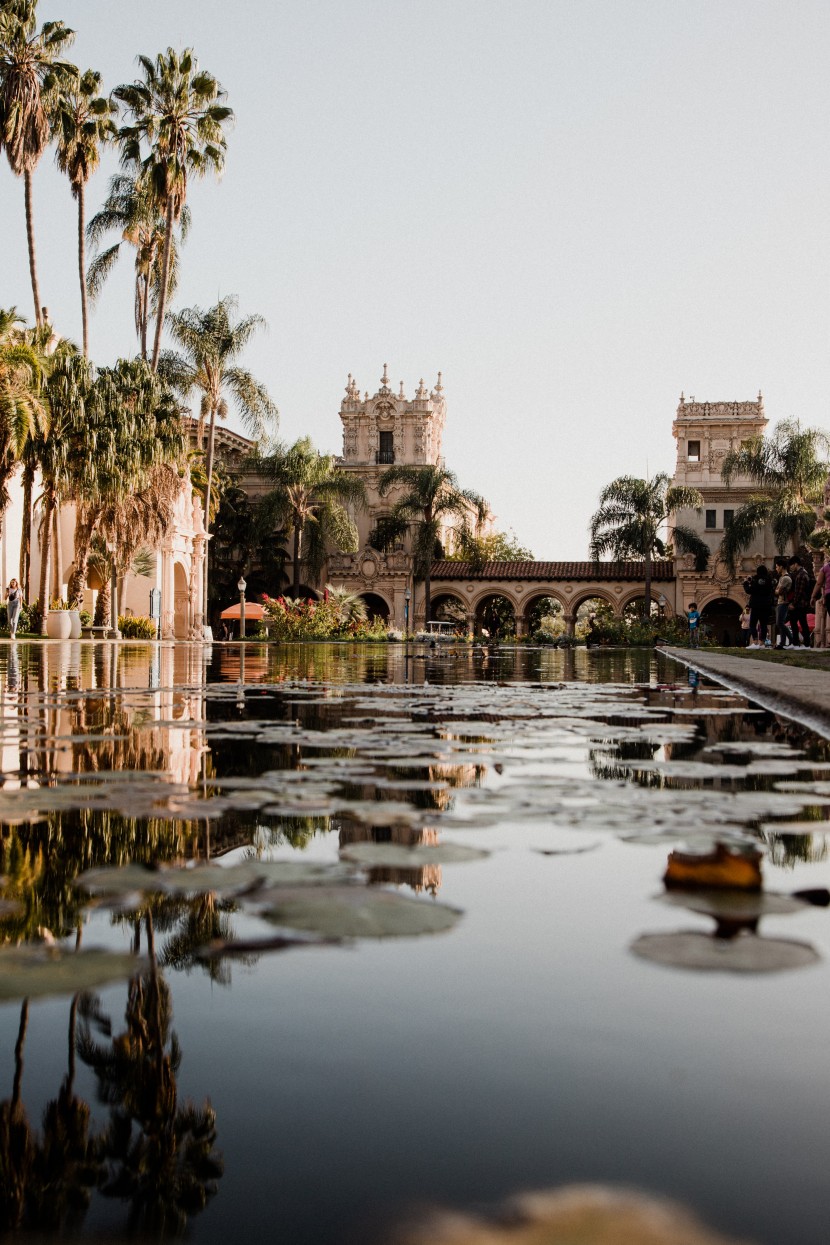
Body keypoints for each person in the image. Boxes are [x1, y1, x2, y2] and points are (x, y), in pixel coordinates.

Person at [744, 564, 774, 647]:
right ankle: (762, 642)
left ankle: (755, 641)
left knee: (752, 624)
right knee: (763, 624)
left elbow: (749, 590)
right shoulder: (769, 580)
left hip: (756, 605)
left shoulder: (756, 579)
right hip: (765, 605)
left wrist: (746, 583)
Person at [788, 555, 812, 647]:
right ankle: (805, 643)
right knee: (802, 622)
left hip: (800, 604)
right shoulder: (803, 573)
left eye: (791, 565)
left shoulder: (801, 575)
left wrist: (793, 604)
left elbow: (799, 592)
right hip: (802, 603)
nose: (790, 567)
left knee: (794, 622)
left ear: (795, 564)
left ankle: (796, 642)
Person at [773, 558, 794, 650]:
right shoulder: (782, 578)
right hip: (780, 602)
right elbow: (777, 590)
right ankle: (781, 644)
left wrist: (777, 590)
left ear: (781, 567)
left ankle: (792, 640)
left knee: (780, 623)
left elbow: (778, 591)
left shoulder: (785, 578)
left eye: (777, 567)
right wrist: (777, 590)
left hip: (783, 603)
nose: (776, 569)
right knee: (780, 623)